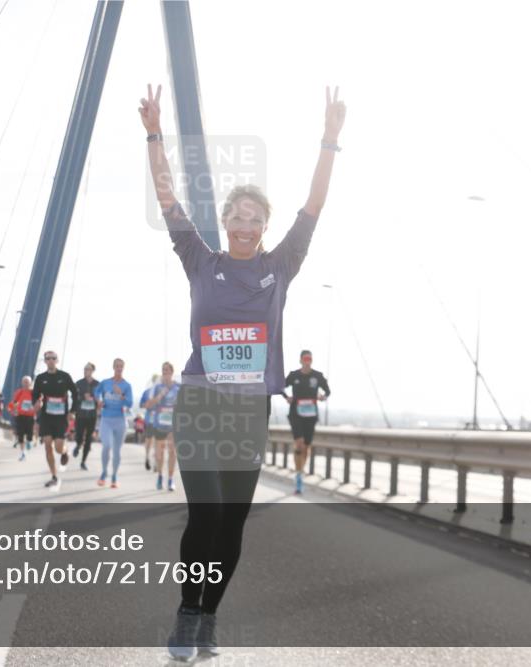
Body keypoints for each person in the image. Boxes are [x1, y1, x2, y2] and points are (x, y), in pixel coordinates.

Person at [140, 82, 345, 659]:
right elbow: (168, 199)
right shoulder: (200, 260)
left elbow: (314, 206)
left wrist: (329, 140)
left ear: (264, 225)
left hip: (250, 412)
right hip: (202, 405)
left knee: (231, 528)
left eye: (255, 216)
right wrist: (155, 135)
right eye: (237, 214)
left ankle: (208, 616)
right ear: (225, 220)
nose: (246, 223)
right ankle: (186, 613)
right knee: (204, 514)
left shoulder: (282, 265)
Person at [282, 349, 331, 494]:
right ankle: (298, 477)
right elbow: (280, 386)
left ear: (312, 360)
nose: (307, 361)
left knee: (306, 446)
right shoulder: (294, 375)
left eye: (309, 358)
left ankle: (300, 470)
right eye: (305, 358)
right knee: (299, 442)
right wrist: (286, 397)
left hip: (311, 414)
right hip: (295, 413)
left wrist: (323, 396)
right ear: (300, 360)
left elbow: (328, 391)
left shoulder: (318, 376)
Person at [31, 350, 78, 488]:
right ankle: (54, 476)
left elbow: (75, 393)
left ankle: (64, 452)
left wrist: (73, 411)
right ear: (45, 361)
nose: (51, 360)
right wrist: (37, 402)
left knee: (58, 447)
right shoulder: (40, 378)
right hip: (46, 416)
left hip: (61, 417)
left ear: (57, 360)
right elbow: (35, 394)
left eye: (53, 358)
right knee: (47, 445)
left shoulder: (64, 376)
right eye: (48, 358)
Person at [93, 358, 133, 488]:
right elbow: (96, 392)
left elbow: (130, 403)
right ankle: (104, 473)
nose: (119, 368)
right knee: (106, 446)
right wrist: (99, 400)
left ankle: (114, 476)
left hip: (120, 420)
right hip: (106, 419)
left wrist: (121, 395)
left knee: (116, 451)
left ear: (123, 368)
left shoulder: (127, 385)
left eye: (121, 366)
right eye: (117, 366)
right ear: (113, 367)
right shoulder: (105, 383)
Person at [145, 361, 180, 491]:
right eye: (163, 370)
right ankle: (160, 476)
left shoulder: (178, 388)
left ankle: (170, 480)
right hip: (159, 425)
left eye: (167, 370)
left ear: (172, 372)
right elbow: (148, 405)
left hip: (173, 426)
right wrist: (160, 396)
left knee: (172, 452)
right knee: (159, 455)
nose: (165, 372)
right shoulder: (157, 387)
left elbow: (185, 405)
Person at [73, 362, 100, 471]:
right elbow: (74, 397)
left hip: (92, 415)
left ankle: (83, 461)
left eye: (88, 369)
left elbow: (100, 398)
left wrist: (93, 398)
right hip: (80, 414)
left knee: (89, 438)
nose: (86, 371)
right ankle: (78, 445)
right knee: (79, 435)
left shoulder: (97, 384)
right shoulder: (79, 383)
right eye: (84, 369)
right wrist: (81, 397)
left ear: (92, 371)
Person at [8, 376, 36, 461]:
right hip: (20, 416)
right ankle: (23, 453)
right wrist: (12, 410)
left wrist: (37, 406)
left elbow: (39, 401)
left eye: (27, 382)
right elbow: (14, 402)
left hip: (30, 416)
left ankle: (29, 441)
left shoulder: (33, 392)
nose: (26, 383)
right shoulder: (19, 392)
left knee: (29, 435)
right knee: (20, 435)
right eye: (24, 382)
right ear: (22, 383)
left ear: (30, 383)